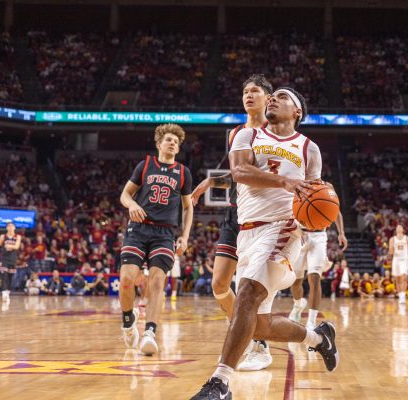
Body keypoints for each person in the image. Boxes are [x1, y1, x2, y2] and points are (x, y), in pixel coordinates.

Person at [191, 87, 337, 400]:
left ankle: (219, 383)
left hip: (283, 231)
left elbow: (315, 197)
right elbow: (240, 171)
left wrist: (315, 236)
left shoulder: (309, 147)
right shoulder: (247, 136)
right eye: (273, 95)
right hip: (247, 233)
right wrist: (285, 181)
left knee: (245, 292)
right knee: (256, 325)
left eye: (282, 97)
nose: (273, 98)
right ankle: (318, 338)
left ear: (297, 112)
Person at [191, 74, 273, 371]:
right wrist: (209, 182)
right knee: (219, 283)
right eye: (245, 92)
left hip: (264, 216)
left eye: (255, 91)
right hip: (235, 212)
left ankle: (258, 343)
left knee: (254, 287)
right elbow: (238, 174)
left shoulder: (277, 131)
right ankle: (248, 333)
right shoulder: (235, 132)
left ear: (268, 98)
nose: (248, 96)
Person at [118, 123, 193, 356]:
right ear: (159, 143)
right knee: (127, 280)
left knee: (157, 282)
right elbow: (125, 194)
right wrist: (132, 204)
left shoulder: (183, 172)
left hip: (164, 234)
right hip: (138, 229)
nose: (172, 143)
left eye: (176, 142)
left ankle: (150, 332)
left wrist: (185, 236)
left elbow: (188, 207)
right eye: (169, 139)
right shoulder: (145, 165)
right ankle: (128, 319)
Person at [290, 193, 348, 329]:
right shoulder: (297, 183)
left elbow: (336, 211)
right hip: (300, 235)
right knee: (295, 281)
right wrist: (296, 230)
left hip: (319, 236)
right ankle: (298, 305)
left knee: (315, 278)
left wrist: (341, 233)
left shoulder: (326, 188)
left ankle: (311, 320)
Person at [0, 222, 21, 301]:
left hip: (13, 259)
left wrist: (10, 246)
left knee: (10, 276)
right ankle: (4, 293)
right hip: (4, 258)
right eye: (9, 226)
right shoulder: (3, 236)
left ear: (14, 228)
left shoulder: (17, 236)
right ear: (7, 228)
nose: (10, 227)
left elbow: (17, 246)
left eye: (12, 226)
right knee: (4, 275)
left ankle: (7, 291)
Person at [388, 225, 408, 304]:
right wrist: (390, 253)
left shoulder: (407, 238)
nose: (399, 228)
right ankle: (400, 295)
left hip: (404, 260)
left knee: (403, 277)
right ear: (396, 230)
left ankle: (403, 296)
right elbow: (390, 252)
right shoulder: (392, 239)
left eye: (401, 227)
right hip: (396, 260)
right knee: (397, 279)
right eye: (397, 227)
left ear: (403, 229)